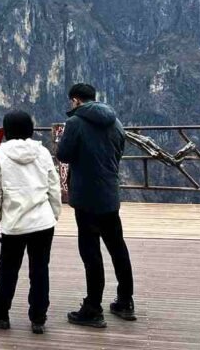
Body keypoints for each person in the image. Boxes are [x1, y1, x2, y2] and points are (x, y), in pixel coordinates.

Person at [56, 82, 136, 328]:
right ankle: (125, 301)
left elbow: (63, 154)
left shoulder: (75, 123)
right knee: (117, 247)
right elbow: (119, 150)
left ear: (75, 101)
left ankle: (93, 308)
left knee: (91, 253)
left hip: (86, 198)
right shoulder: (115, 122)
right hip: (109, 195)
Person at [0, 110, 61, 335]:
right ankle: (38, 319)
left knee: (8, 270)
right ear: (30, 129)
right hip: (43, 222)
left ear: (6, 130)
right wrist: (54, 213)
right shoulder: (42, 152)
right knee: (40, 269)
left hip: (14, 223)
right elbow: (53, 185)